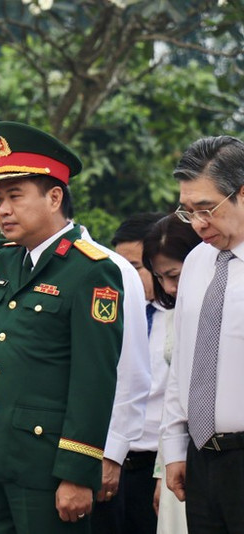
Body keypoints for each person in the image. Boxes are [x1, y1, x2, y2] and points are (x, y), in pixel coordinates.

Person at [0, 121, 124, 533]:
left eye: (15, 197)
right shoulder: (5, 263)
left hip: (48, 469)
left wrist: (76, 472)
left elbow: (95, 379)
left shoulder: (91, 271)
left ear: (54, 197)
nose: (2, 210)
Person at [161, 135, 244, 534]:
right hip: (201, 461)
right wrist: (175, 449)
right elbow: (185, 365)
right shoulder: (196, 262)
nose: (197, 224)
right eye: (188, 211)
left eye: (206, 209)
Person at [86, 213, 165, 534]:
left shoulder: (180, 317)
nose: (124, 276)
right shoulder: (106, 316)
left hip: (156, 468)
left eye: (134, 267)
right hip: (105, 461)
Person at [141, 214, 200, 534]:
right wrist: (164, 470)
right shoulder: (172, 313)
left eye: (174, 274)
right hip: (177, 455)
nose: (169, 287)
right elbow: (173, 400)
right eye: (161, 277)